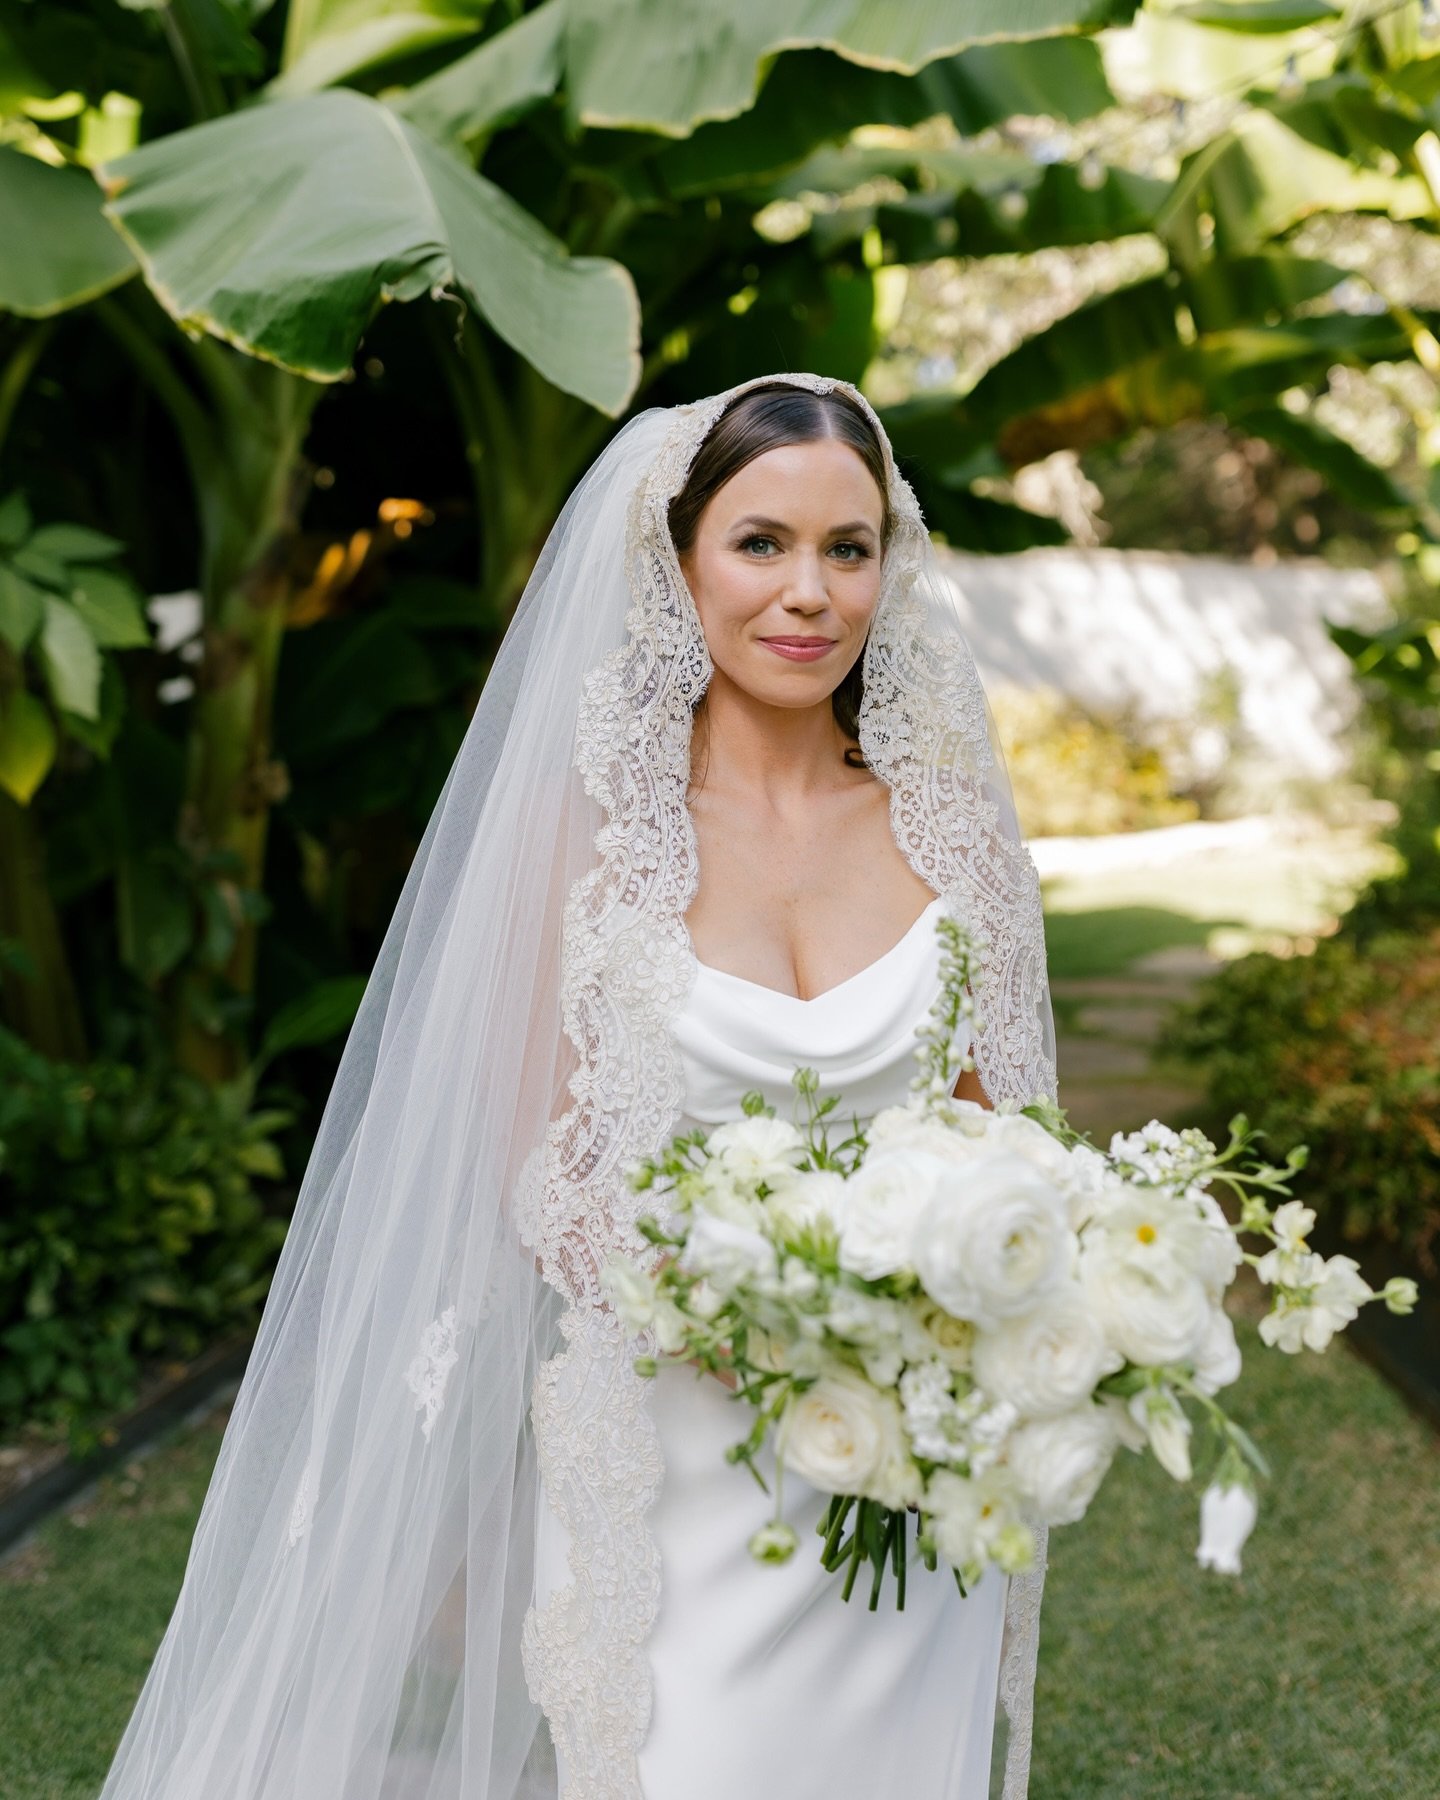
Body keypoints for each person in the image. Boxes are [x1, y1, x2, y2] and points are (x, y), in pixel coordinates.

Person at [97, 373, 1058, 1800]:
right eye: (761, 543)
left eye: (848, 549)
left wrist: (938, 1324)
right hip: (679, 1475)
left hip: (912, 1468)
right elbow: (552, 1178)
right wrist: (775, 1324)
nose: (810, 593)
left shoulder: (955, 829)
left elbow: (1011, 1145)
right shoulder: (584, 839)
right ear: (677, 564)